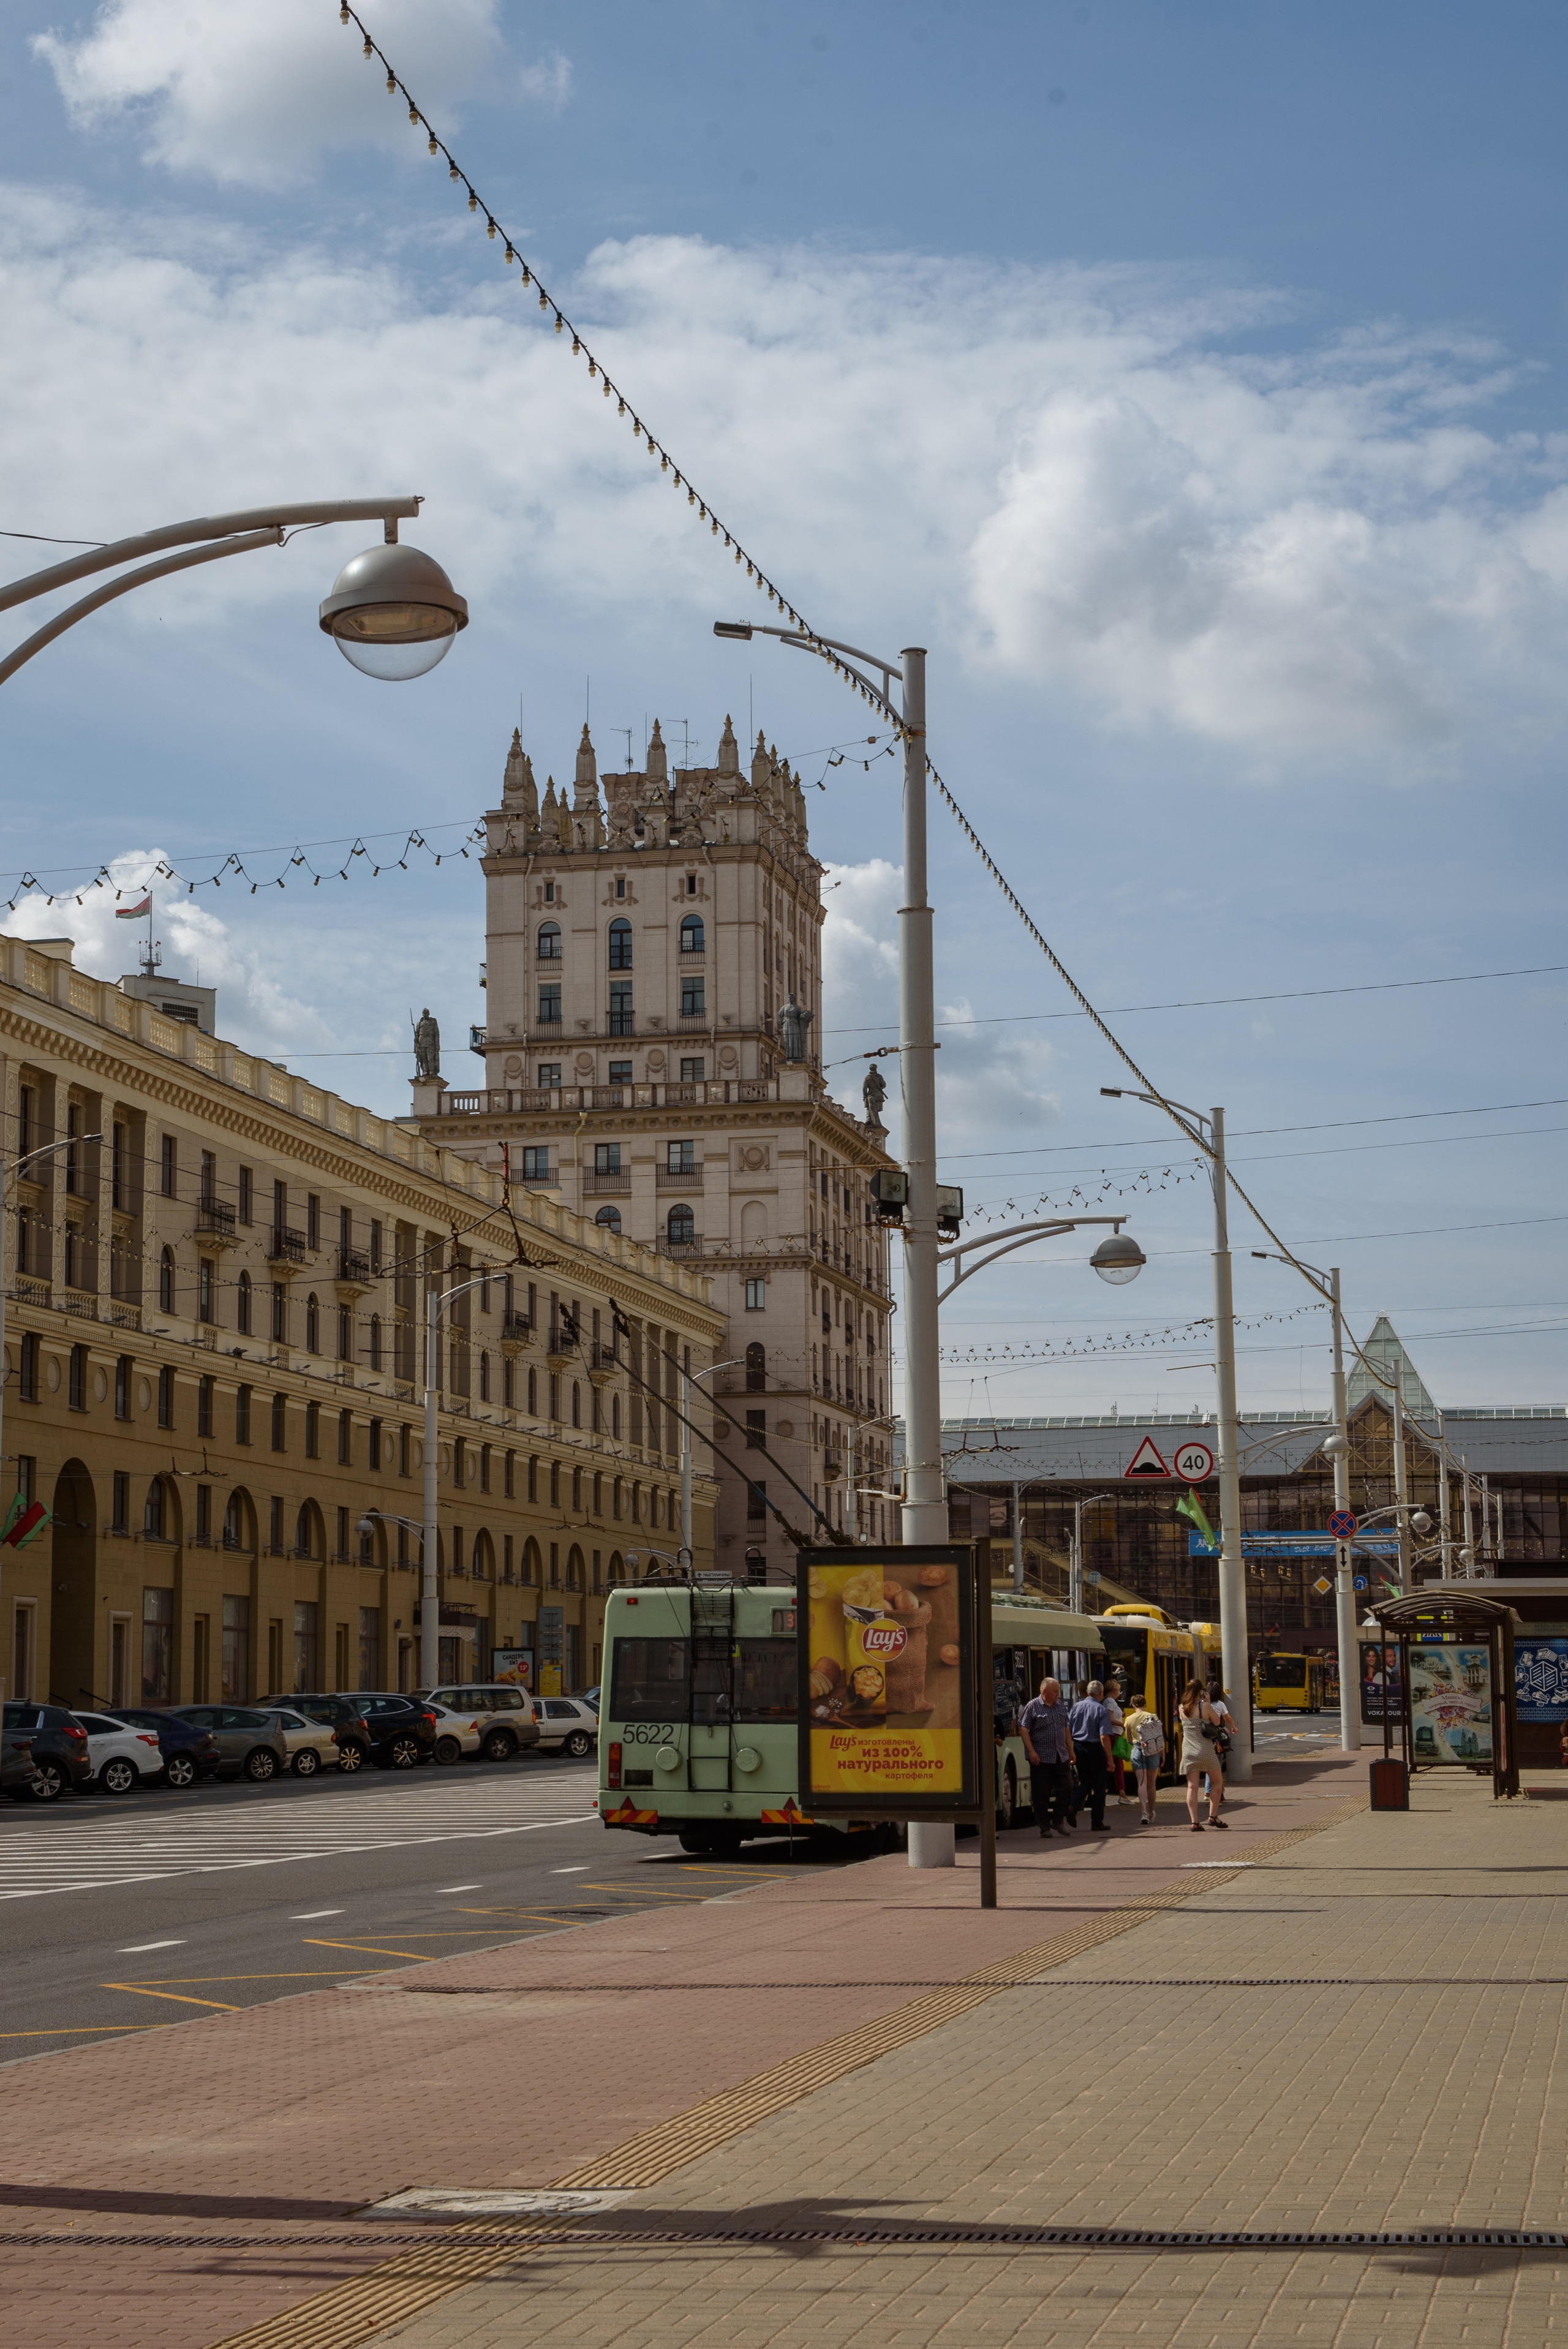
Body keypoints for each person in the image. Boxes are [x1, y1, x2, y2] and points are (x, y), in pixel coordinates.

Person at [1018, 1675, 1074, 1838]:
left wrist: (1071, 1750)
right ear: (1045, 1691)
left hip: (1060, 1754)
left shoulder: (1060, 1706)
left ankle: (1057, 1820)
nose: (1058, 1694)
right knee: (1041, 1793)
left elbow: (1066, 1728)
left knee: (1067, 1787)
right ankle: (1045, 1827)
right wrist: (1031, 1751)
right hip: (1041, 1757)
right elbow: (1023, 1729)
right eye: (1056, 1691)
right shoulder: (1033, 1706)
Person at [1178, 1677, 1228, 1830]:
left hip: (1188, 1750)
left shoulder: (1181, 1708)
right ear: (1201, 1691)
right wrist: (1206, 1701)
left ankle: (1195, 1822)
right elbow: (1217, 1722)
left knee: (1192, 1787)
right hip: (1205, 1749)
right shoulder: (1204, 1707)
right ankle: (1213, 1816)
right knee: (1217, 1782)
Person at [1068, 1679, 1115, 1831]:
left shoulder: (1076, 1707)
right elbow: (1104, 1737)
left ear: (1088, 1693)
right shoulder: (1101, 1710)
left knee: (1086, 1782)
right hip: (1095, 1749)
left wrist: (1070, 1750)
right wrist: (1110, 1759)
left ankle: (1073, 1806)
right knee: (1100, 1786)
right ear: (1101, 1694)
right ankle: (1097, 1822)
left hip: (1079, 1747)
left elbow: (1068, 1730)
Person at [1123, 1693, 1166, 1824]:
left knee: (1142, 1782)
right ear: (1145, 1704)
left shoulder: (1129, 1719)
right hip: (1153, 1751)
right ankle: (1152, 1811)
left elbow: (1129, 1740)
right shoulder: (1152, 1717)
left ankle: (1144, 1813)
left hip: (1138, 1750)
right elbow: (1159, 1736)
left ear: (1133, 1705)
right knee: (1152, 1784)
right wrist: (1162, 1753)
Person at [1104, 1676, 1132, 1806]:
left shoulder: (1109, 1701)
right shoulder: (1110, 1701)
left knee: (1115, 1765)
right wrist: (1122, 1724)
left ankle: (1121, 1793)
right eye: (1118, 1691)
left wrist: (1121, 1716)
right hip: (1114, 1736)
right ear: (1114, 1690)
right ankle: (1122, 1795)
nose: (1119, 1693)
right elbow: (1109, 1719)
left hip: (1114, 1735)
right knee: (1117, 1766)